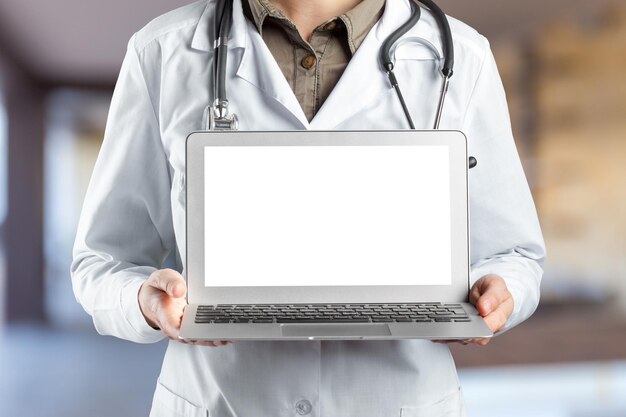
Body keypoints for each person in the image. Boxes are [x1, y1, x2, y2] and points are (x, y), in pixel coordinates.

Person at [71, 0, 546, 416]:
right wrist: (146, 302)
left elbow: (514, 254)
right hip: (220, 402)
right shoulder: (162, 52)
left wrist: (501, 295)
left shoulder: (461, 55)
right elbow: (102, 261)